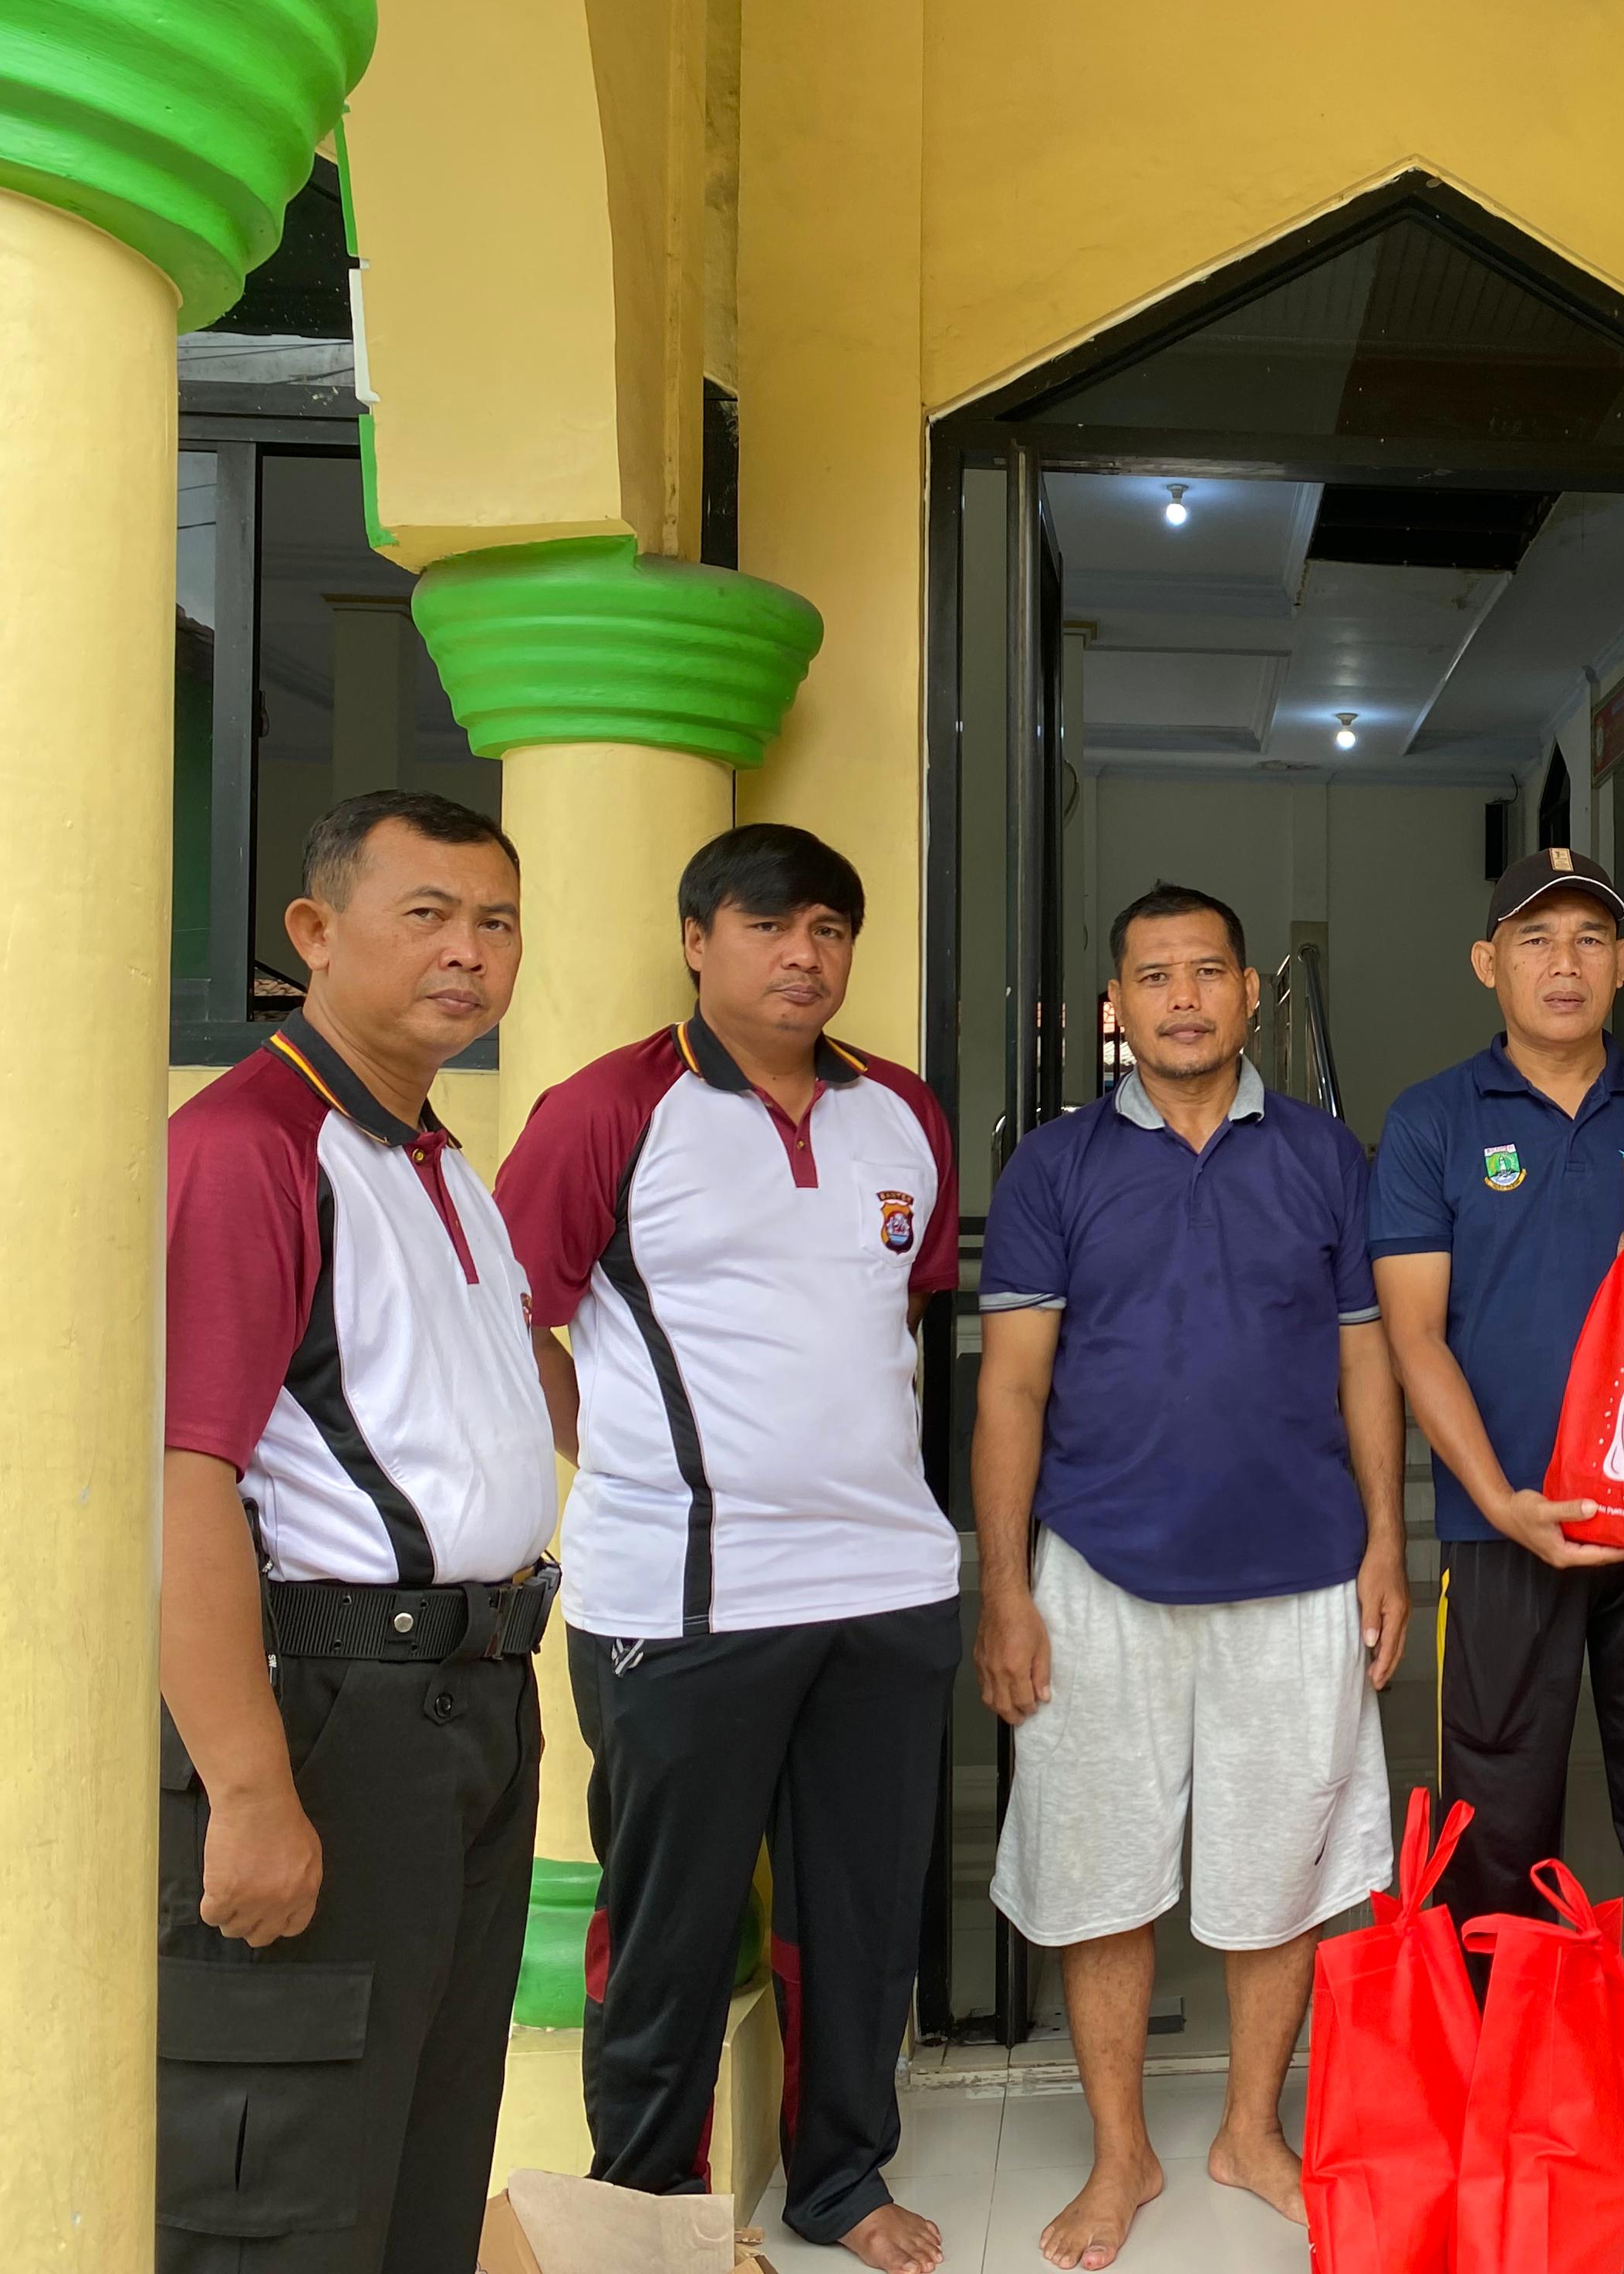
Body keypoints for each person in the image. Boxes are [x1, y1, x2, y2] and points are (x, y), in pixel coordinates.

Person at [495, 824, 960, 2274]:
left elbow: (896, 1314)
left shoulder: (902, 1112)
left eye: (829, 929)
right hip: (680, 1598)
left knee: (859, 1919)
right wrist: (619, 1455)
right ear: (697, 941)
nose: (802, 956)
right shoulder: (609, 1109)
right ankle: (650, 2217)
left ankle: (840, 2181)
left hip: (886, 1586)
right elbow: (511, 1314)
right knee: (670, 1930)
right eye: (768, 926)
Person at [971, 883, 1407, 2274]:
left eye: (1207, 972)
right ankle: (1122, 2155)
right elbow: (1012, 1389)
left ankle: (1249, 2135)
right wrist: (1005, 1588)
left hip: (1300, 1573)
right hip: (1100, 1573)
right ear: (1117, 1004)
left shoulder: (1327, 1156)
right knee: (1100, 1874)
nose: (1181, 998)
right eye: (1153, 976)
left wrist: (1387, 1542)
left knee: (1282, 1868)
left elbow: (1366, 1359)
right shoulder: (1056, 1167)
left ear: (1249, 994)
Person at [158, 790, 561, 2272]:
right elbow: (181, 1480)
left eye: (496, 922)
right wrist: (249, 1787)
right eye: (428, 916)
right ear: (315, 934)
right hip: (337, 1712)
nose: (469, 952)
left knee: (430, 2138)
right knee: (297, 2158)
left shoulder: (436, 1157)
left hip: (474, 1699)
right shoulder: (252, 1144)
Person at [1372, 846, 1624, 2247]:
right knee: (1495, 1835)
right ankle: (1503, 2114)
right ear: (1487, 963)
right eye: (1534, 937)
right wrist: (1499, 1501)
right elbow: (1414, 1337)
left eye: (1590, 939)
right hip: (1503, 1535)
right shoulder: (1433, 1121)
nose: (1564, 962)